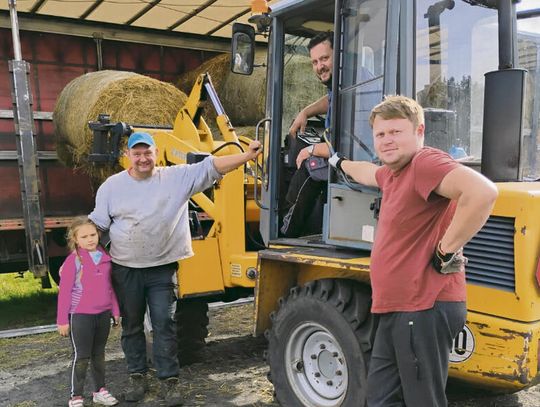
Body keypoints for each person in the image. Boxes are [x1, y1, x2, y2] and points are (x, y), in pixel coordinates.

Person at [329, 95, 498, 406]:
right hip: (396, 307)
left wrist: (446, 250)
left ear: (419, 131)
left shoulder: (424, 162)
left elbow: (483, 193)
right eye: (380, 134)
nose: (387, 140)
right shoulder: (392, 174)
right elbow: (366, 171)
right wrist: (335, 160)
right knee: (381, 398)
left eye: (396, 132)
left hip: (423, 306)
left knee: (423, 401)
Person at [89, 131, 261, 406]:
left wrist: (247, 156)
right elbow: (97, 224)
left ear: (156, 154)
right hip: (126, 268)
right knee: (132, 326)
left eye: (148, 153)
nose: (143, 158)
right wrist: (81, 258)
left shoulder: (174, 178)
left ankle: (169, 383)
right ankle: (138, 380)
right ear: (128, 157)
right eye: (137, 153)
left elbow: (211, 166)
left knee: (164, 324)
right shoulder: (112, 187)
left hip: (161, 269)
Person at [56, 217, 120, 407]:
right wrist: (62, 320)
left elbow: (110, 288)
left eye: (93, 235)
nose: (90, 239)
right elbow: (64, 293)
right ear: (75, 239)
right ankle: (76, 396)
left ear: (98, 235)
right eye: (84, 236)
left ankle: (100, 391)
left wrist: (115, 311)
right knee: (82, 356)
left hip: (102, 315)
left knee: (99, 355)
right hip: (81, 316)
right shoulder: (73, 261)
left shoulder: (106, 259)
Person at [281, 31, 334, 237]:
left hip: (350, 163)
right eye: (314, 62)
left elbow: (351, 145)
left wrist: (312, 150)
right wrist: (305, 112)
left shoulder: (357, 86)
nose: (319, 66)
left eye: (324, 58)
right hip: (341, 154)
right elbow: (331, 100)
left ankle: (287, 233)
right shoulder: (346, 82)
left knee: (308, 165)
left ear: (338, 54)